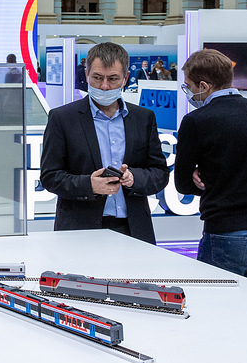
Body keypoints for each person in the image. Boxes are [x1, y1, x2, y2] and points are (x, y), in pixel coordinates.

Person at [173, 49, 247, 288]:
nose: (189, 92)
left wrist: (204, 179)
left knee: (216, 305)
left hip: (227, 231)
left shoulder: (197, 120)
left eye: (189, 86)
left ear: (203, 86)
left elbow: (182, 184)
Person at [40, 42, 169, 244]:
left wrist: (134, 178)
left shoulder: (143, 118)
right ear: (86, 74)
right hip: (79, 231)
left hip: (134, 230)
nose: (104, 86)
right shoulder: (62, 118)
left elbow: (160, 173)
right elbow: (50, 176)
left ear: (126, 78)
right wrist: (88, 185)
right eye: (97, 78)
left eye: (113, 78)